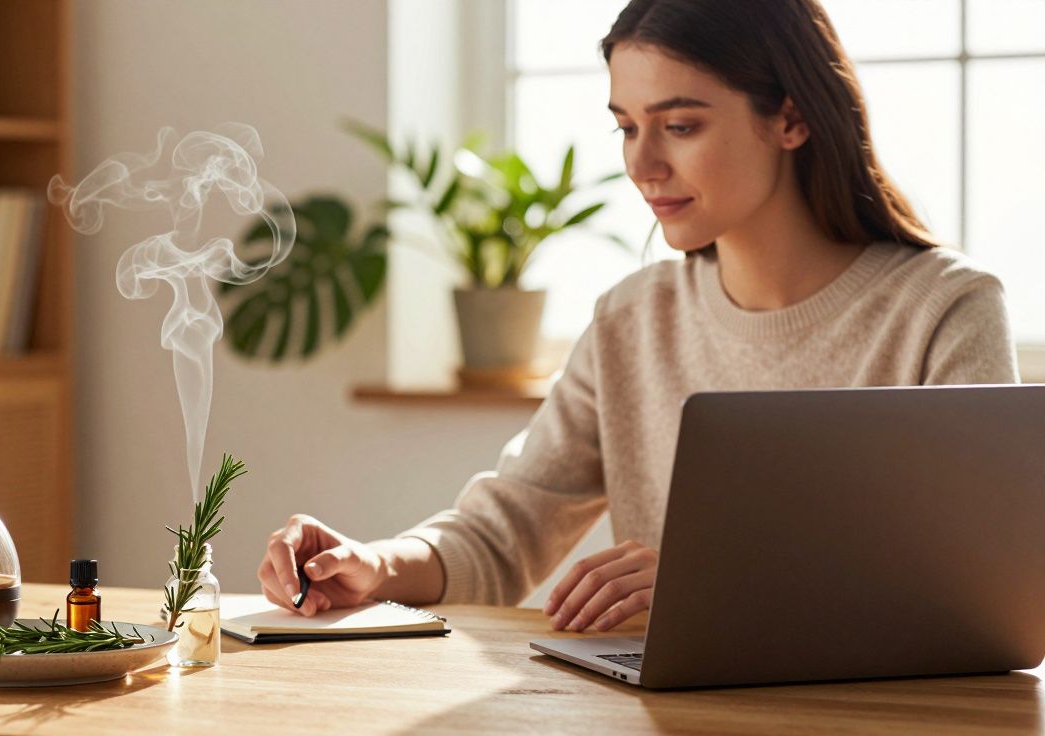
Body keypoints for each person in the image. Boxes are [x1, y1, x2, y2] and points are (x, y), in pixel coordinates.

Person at [256, 0, 1019, 633]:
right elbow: (503, 532)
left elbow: (984, 600)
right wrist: (375, 565)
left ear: (790, 118)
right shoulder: (633, 318)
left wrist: (721, 585)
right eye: (626, 126)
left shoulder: (945, 310)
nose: (642, 164)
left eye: (680, 125)